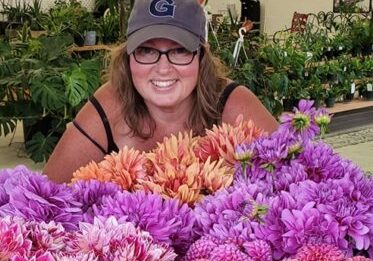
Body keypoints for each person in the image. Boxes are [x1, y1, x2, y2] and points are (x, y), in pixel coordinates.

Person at [43, 0, 278, 183]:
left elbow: (297, 184)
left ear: (201, 57)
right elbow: (46, 194)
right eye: (146, 50)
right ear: (127, 58)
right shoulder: (108, 106)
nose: (163, 68)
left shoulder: (233, 104)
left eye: (179, 50)